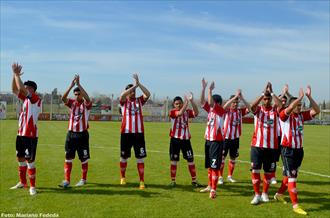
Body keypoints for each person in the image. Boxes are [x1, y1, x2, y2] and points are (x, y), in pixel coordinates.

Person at [274, 86, 320, 215]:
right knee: (292, 177)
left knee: (288, 176)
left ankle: (278, 194)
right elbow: (288, 109)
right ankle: (295, 206)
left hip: (299, 151)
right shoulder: (284, 115)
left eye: (301, 105)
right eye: (298, 105)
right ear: (291, 106)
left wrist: (309, 97)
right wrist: (299, 97)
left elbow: (317, 110)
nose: (300, 107)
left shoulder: (301, 116)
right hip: (287, 150)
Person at [10, 62, 42, 196]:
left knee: (30, 161)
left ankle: (32, 187)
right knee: (20, 158)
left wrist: (17, 74)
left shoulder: (36, 99)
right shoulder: (26, 100)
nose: (25, 89)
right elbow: (14, 90)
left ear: (33, 90)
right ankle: (22, 182)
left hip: (30, 136)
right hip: (20, 134)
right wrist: (14, 75)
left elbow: (21, 89)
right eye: (26, 87)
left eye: (28, 87)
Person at [250, 82, 283, 205]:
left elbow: (280, 104)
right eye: (265, 98)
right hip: (257, 146)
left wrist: (272, 92)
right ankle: (257, 194)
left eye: (268, 99)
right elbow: (252, 106)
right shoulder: (258, 110)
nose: (267, 100)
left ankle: (264, 193)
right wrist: (263, 92)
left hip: (271, 147)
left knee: (268, 172)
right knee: (255, 171)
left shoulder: (275, 110)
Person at [60, 75, 92, 188]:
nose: (77, 96)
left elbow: (88, 98)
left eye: (79, 94)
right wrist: (71, 85)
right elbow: (63, 98)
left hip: (82, 134)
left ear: (82, 94)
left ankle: (83, 179)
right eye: (76, 94)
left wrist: (79, 84)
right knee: (68, 157)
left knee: (83, 158)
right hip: (71, 134)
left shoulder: (86, 104)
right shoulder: (72, 103)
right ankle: (67, 180)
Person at [119, 74, 150, 190]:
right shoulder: (123, 102)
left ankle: (142, 181)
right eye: (131, 91)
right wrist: (133, 87)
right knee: (123, 157)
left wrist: (139, 85)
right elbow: (122, 95)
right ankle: (123, 177)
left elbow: (148, 94)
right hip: (126, 134)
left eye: (134, 91)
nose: (133, 93)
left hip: (138, 134)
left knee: (140, 158)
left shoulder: (139, 101)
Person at [199, 79, 226, 199]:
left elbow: (209, 101)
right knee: (210, 166)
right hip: (208, 141)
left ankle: (213, 190)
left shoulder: (220, 111)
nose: (210, 104)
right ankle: (209, 186)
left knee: (215, 166)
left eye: (213, 102)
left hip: (216, 142)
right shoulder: (210, 110)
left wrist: (210, 90)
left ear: (217, 103)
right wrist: (204, 88)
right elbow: (201, 102)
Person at [168, 93, 202, 187]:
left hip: (186, 140)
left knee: (191, 160)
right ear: (174, 105)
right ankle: (173, 181)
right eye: (176, 104)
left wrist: (191, 101)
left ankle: (194, 181)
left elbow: (196, 113)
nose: (178, 105)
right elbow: (179, 113)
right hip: (175, 140)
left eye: (180, 103)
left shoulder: (187, 112)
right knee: (174, 160)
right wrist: (187, 102)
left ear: (182, 103)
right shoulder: (172, 112)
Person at [218, 89, 251, 184]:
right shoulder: (226, 111)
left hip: (235, 139)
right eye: (233, 102)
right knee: (222, 158)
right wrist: (234, 97)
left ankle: (229, 176)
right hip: (225, 139)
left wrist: (242, 98)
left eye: (237, 103)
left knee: (233, 158)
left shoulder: (240, 112)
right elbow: (224, 107)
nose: (235, 104)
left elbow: (250, 108)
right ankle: (220, 177)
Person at [270, 84, 293, 185]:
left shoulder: (288, 110)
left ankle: (286, 176)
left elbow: (294, 101)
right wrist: (282, 94)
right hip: (275, 137)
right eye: (281, 100)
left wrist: (287, 93)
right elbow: (276, 103)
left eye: (284, 100)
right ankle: (273, 176)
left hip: (285, 138)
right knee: (274, 158)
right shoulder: (275, 109)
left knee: (285, 159)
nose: (283, 102)